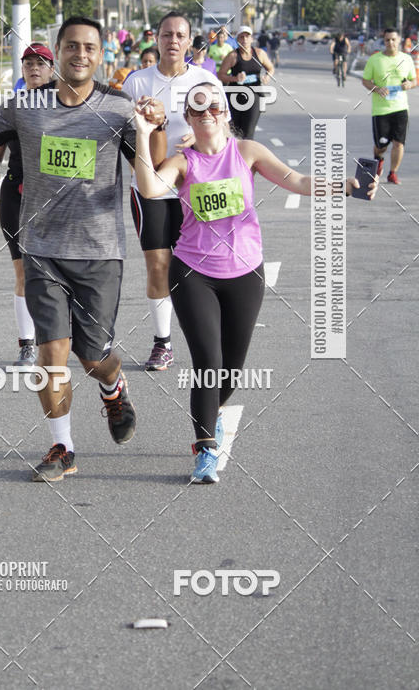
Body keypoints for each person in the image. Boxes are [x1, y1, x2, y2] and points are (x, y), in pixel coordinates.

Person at [0, 17, 167, 481]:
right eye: (71, 46)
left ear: (102, 54)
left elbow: (156, 169)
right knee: (52, 355)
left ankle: (112, 385)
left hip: (99, 252)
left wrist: (156, 126)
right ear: (59, 52)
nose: (80, 54)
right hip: (42, 248)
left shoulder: (118, 108)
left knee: (93, 359)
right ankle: (62, 447)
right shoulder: (26, 106)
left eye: (89, 47)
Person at [134, 81, 378, 483]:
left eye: (214, 107)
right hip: (193, 272)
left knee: (231, 371)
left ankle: (210, 419)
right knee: (208, 364)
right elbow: (148, 187)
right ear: (189, 119)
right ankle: (205, 451)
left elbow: (296, 181)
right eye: (197, 111)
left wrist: (344, 186)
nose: (207, 115)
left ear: (226, 113)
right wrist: (144, 134)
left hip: (245, 274)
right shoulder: (184, 163)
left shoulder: (246, 152)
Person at [123, 11, 222, 371]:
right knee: (158, 265)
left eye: (180, 35)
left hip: (195, 188)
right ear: (158, 39)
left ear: (190, 41)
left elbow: (223, 130)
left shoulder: (206, 81)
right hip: (152, 190)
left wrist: (198, 136)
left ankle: (206, 336)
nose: (173, 41)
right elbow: (124, 135)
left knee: (201, 266)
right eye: (167, 34)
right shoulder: (137, 82)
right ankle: (163, 342)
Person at [0, 43, 55, 366]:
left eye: (40, 63)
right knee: (22, 270)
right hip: (15, 192)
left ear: (52, 69)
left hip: (53, 196)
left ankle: (57, 338)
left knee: (54, 271)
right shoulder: (13, 107)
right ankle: (27, 344)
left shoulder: (64, 106)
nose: (34, 68)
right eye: (28, 64)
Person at [361, 27, 416, 184]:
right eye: (387, 40)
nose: (390, 42)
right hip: (381, 110)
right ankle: (378, 159)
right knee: (381, 146)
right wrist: (377, 89)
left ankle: (393, 173)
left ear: (399, 40)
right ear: (383, 41)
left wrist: (409, 85)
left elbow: (414, 80)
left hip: (400, 108)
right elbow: (365, 80)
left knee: (399, 144)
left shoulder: (406, 59)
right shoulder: (375, 59)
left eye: (393, 39)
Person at [218, 25, 275, 139]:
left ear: (252, 39)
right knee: (235, 132)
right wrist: (235, 78)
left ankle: (246, 156)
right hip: (235, 96)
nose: (244, 40)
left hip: (254, 95)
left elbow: (270, 68)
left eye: (247, 36)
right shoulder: (233, 56)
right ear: (237, 39)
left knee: (248, 132)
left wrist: (267, 77)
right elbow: (221, 75)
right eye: (241, 37)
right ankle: (235, 155)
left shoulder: (259, 53)